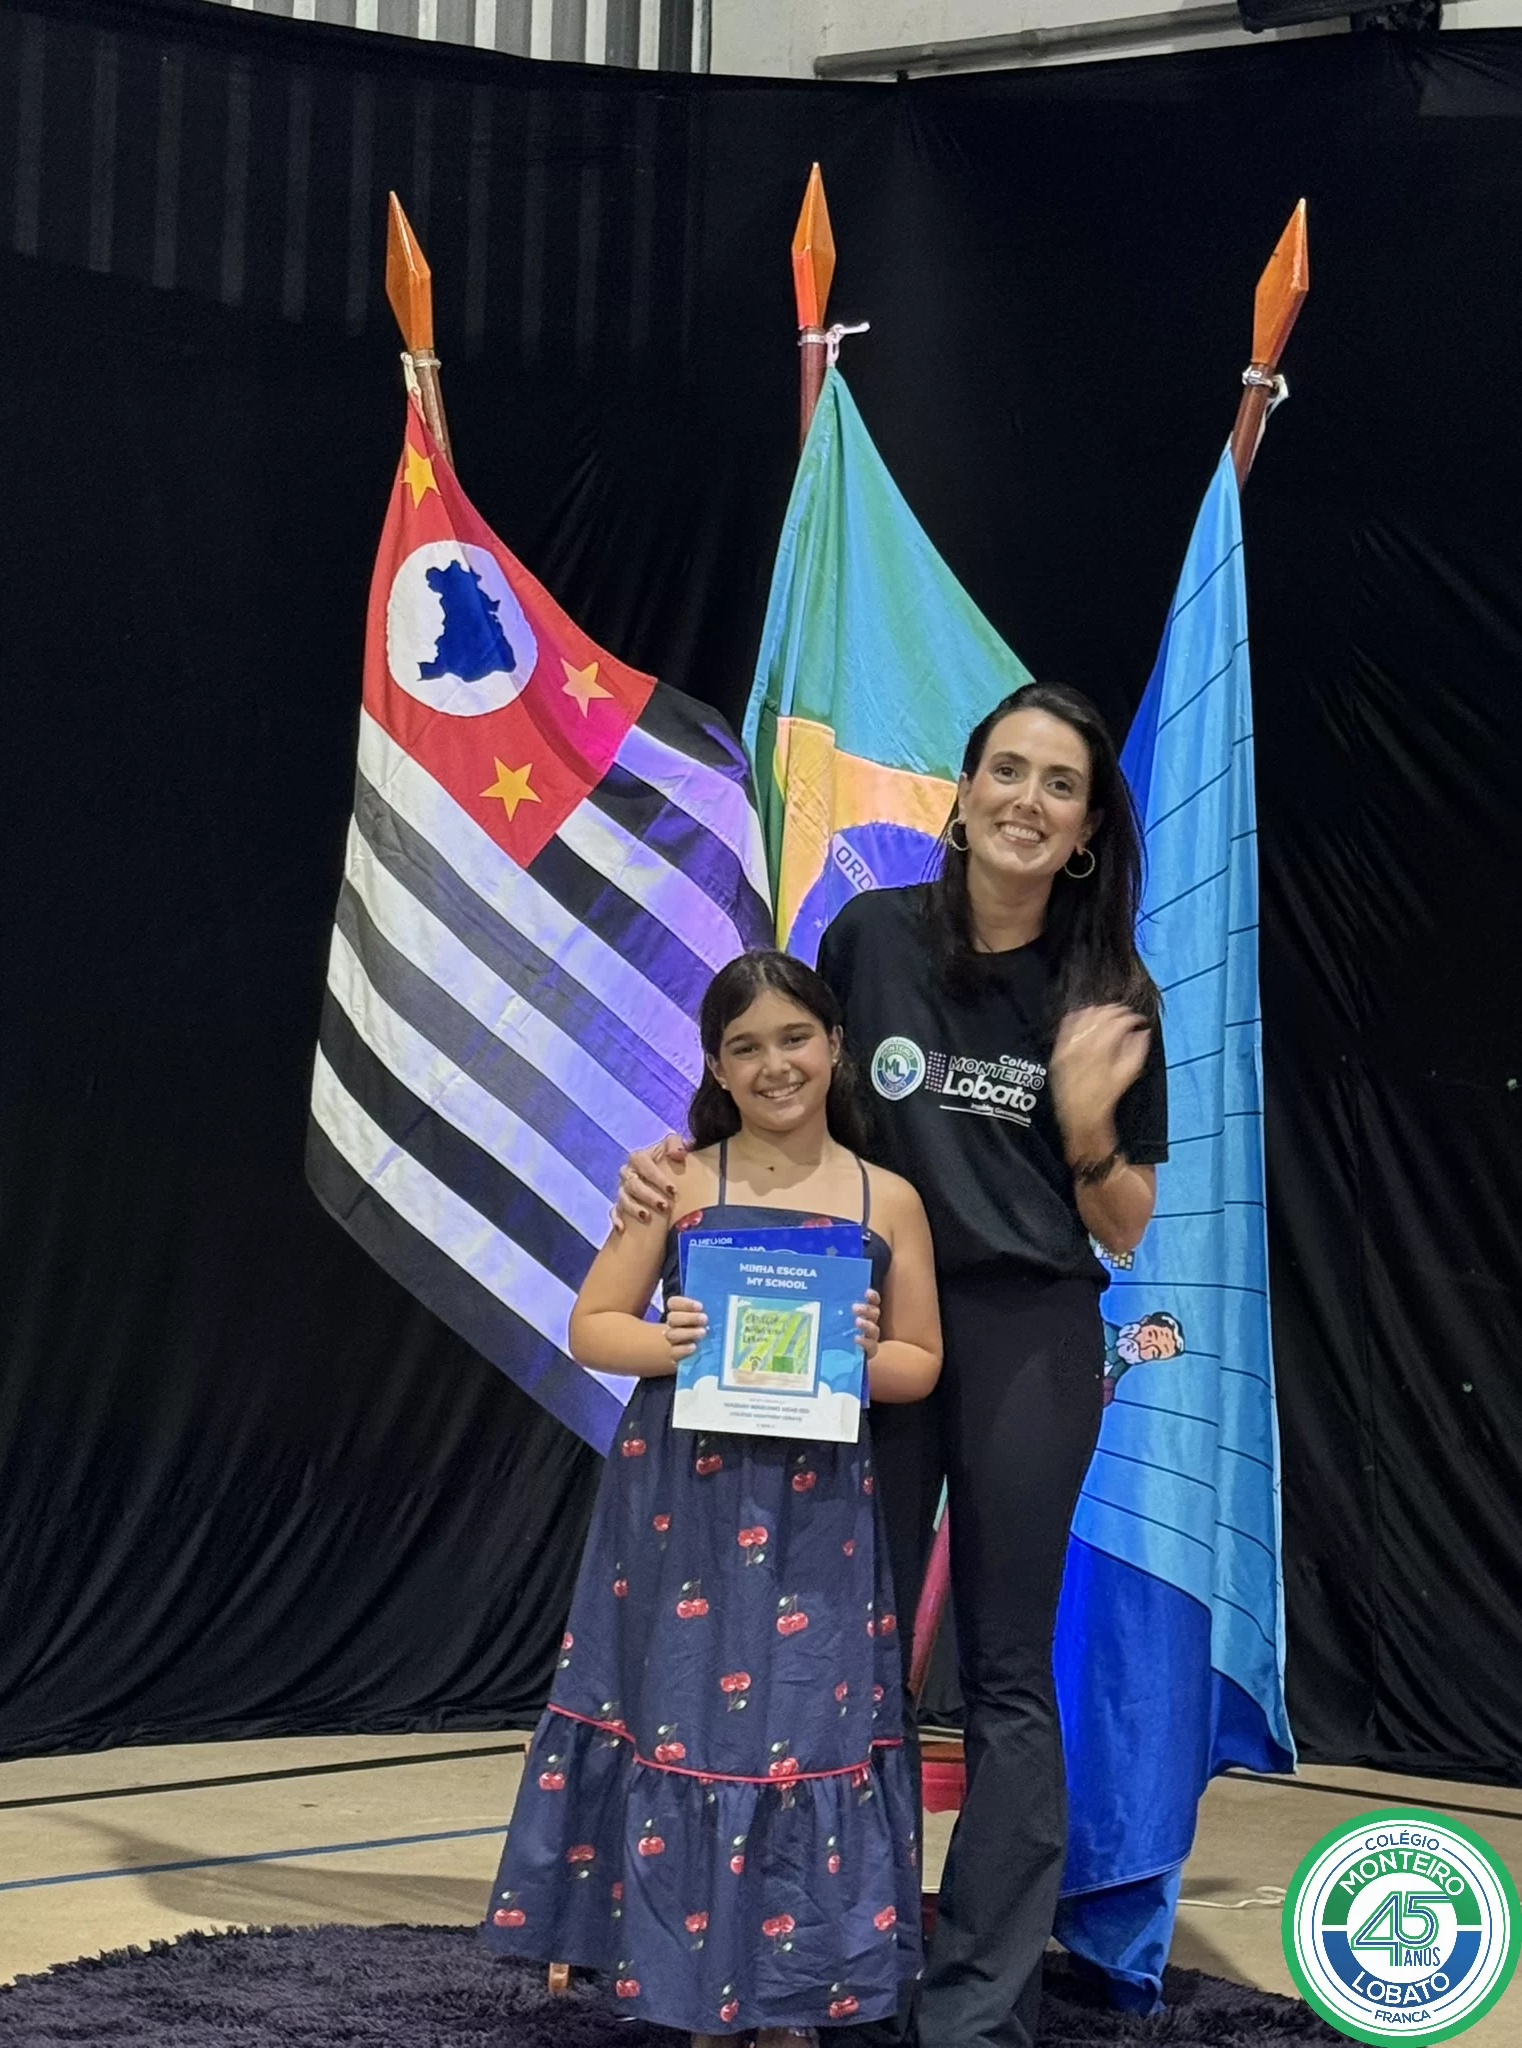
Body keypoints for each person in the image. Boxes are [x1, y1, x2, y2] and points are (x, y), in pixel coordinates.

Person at [617, 683, 1168, 2048]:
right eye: (1008, 771)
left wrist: (1086, 1124)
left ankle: (977, 2006)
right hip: (859, 1326)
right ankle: (831, 1967)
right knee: (838, 1658)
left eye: (1060, 785)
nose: (1028, 800)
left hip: (1030, 1332)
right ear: (965, 793)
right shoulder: (870, 937)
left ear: (1088, 830)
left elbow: (1125, 1222)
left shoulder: (1109, 993)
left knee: (1007, 1670)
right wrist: (675, 1170)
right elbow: (785, 1088)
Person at [485, 949, 944, 2047]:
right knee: (685, 1717)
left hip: (818, 1511)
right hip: (684, 1500)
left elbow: (922, 1361)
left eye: (795, 1038)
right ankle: (696, 1992)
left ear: (835, 1046)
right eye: (746, 1046)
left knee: (803, 1723)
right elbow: (592, 1324)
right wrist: (675, 1342)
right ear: (717, 1067)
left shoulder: (890, 1199)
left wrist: (864, 1355)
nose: (775, 1063)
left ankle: (790, 1999)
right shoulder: (679, 1181)